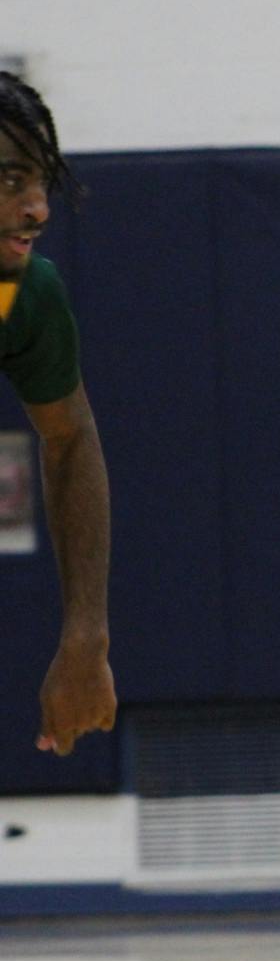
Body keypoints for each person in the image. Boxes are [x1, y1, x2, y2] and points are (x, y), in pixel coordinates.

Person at [0, 71, 115, 759]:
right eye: (12, 181)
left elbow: (69, 439)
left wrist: (85, 637)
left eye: (41, 182)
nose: (40, 208)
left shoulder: (20, 293)